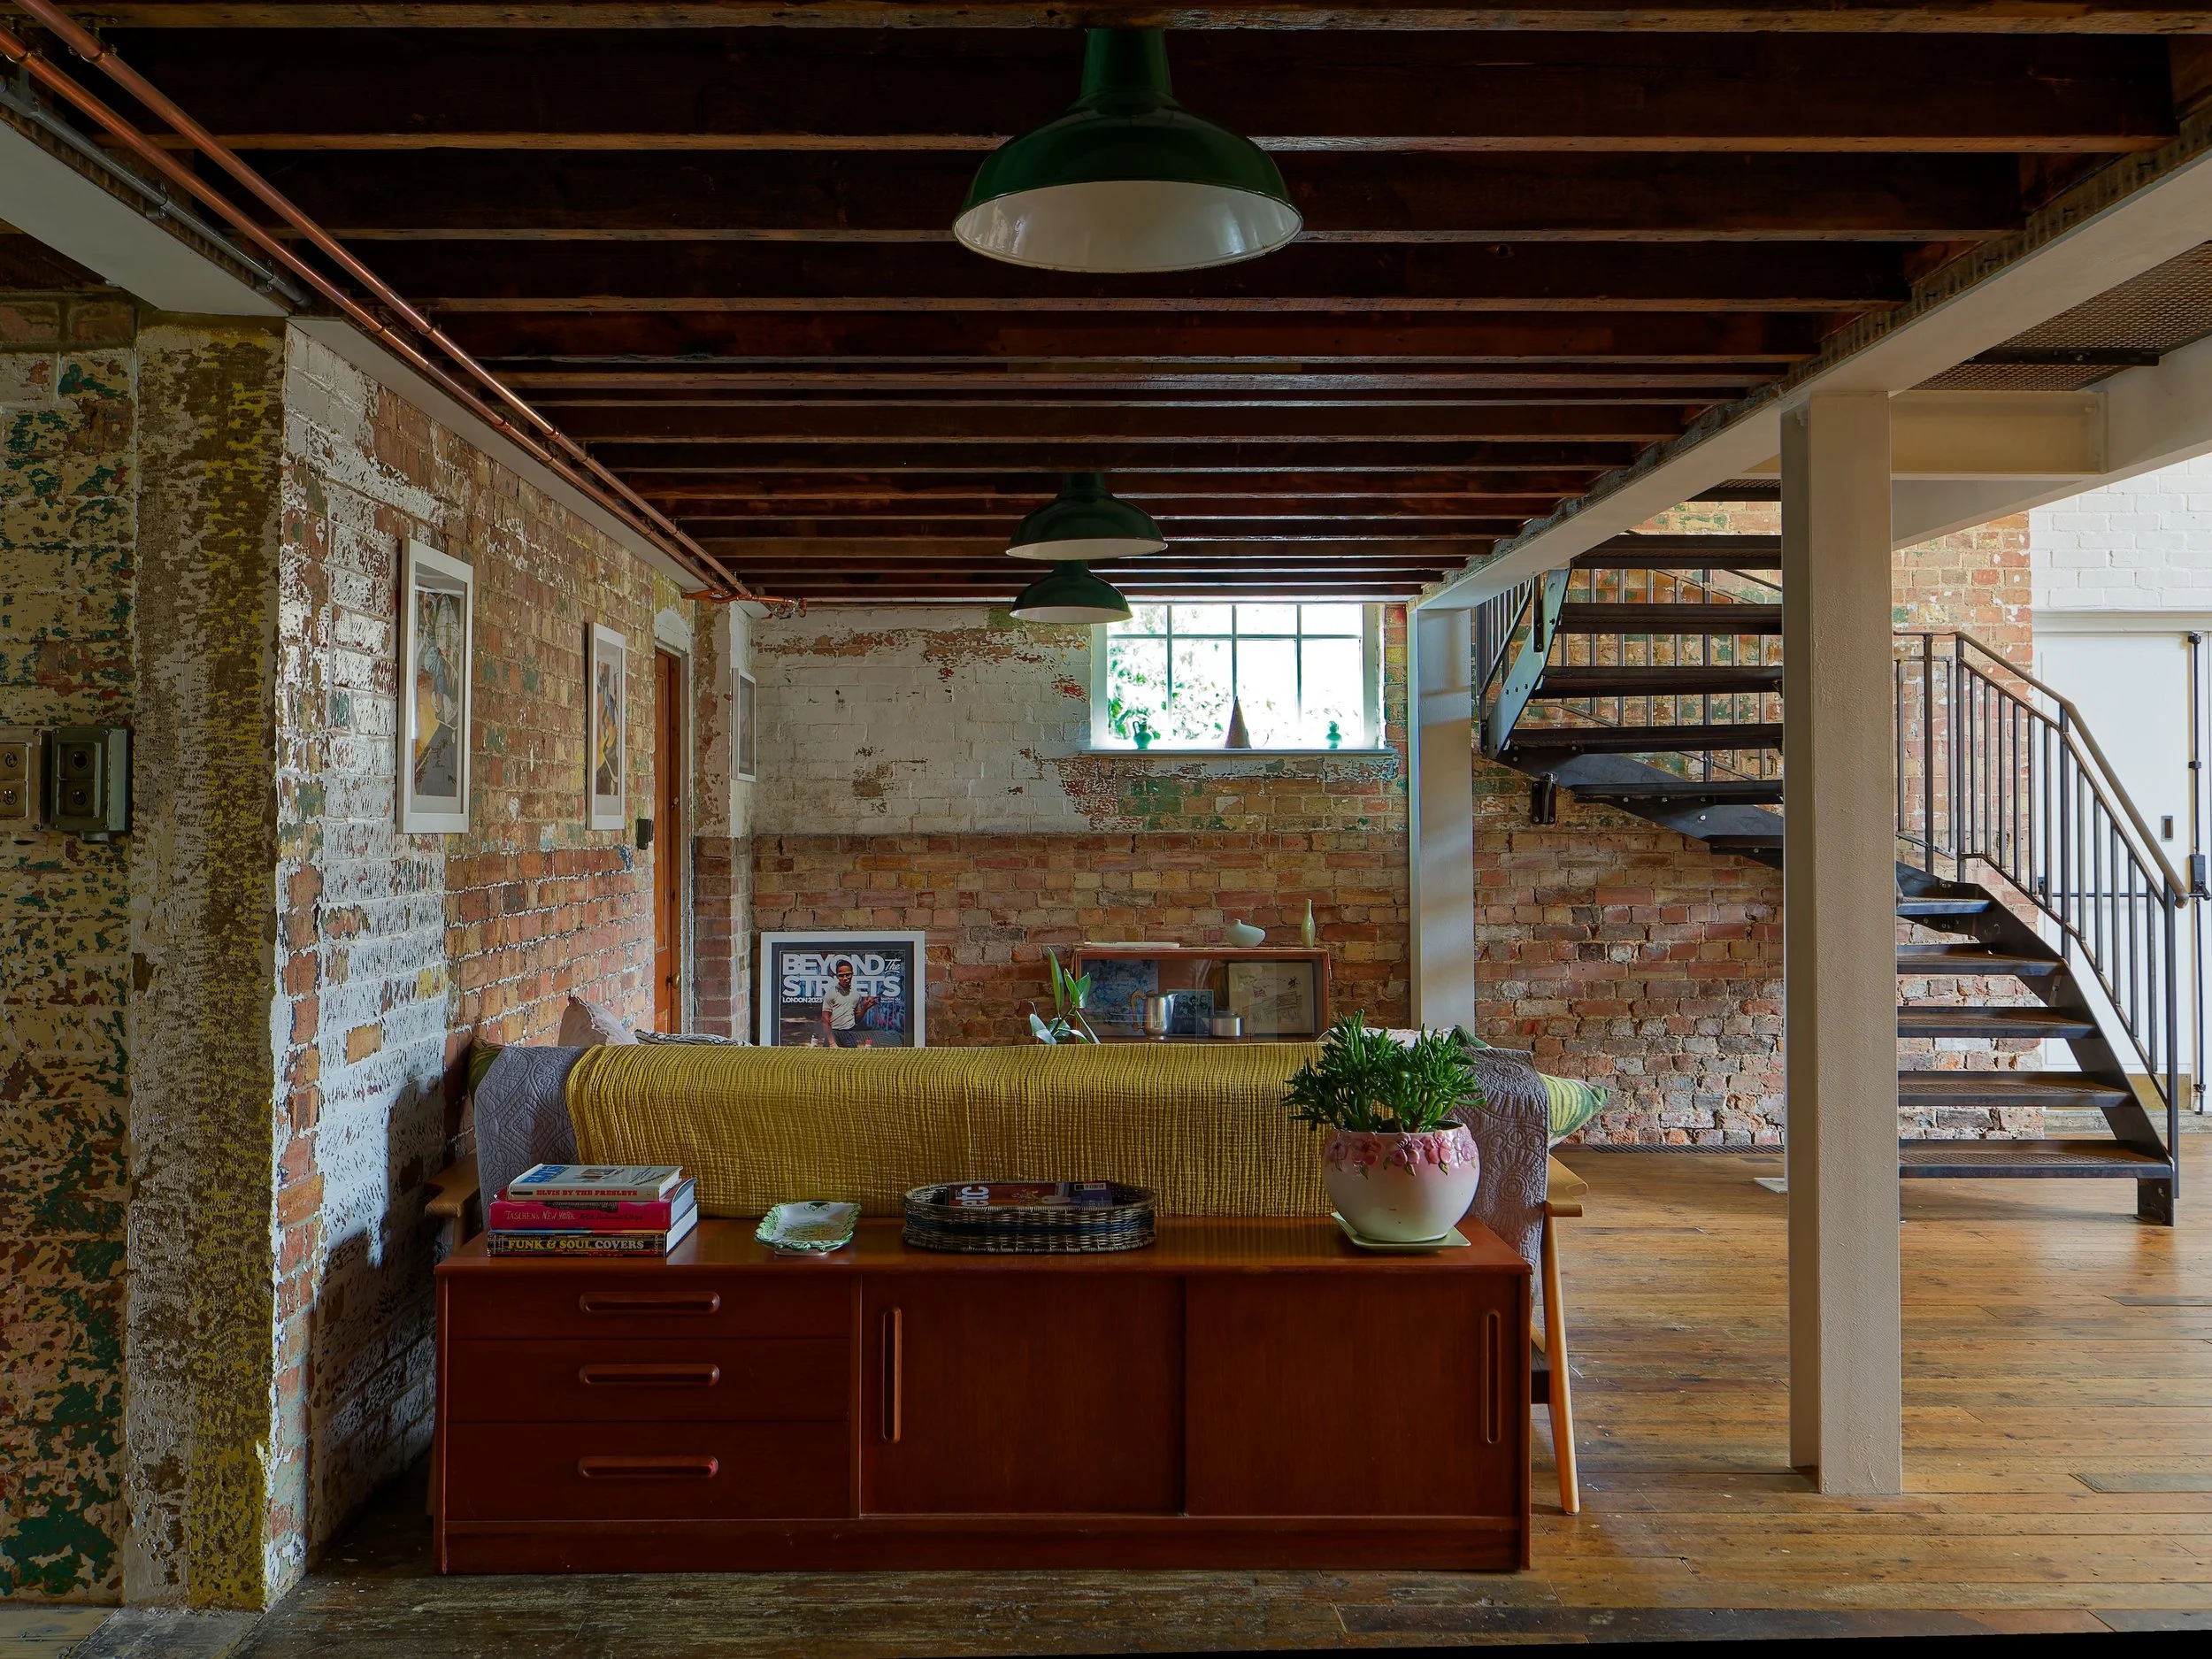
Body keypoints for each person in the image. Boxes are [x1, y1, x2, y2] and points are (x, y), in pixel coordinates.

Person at [819, 958, 878, 1048]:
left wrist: (865, 1008)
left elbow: (857, 1020)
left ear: (852, 974)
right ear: (837, 976)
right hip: (834, 1033)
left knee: (851, 1061)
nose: (845, 978)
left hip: (849, 1034)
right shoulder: (831, 993)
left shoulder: (856, 995)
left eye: (848, 974)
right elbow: (825, 1020)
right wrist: (832, 1043)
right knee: (829, 1061)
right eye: (841, 975)